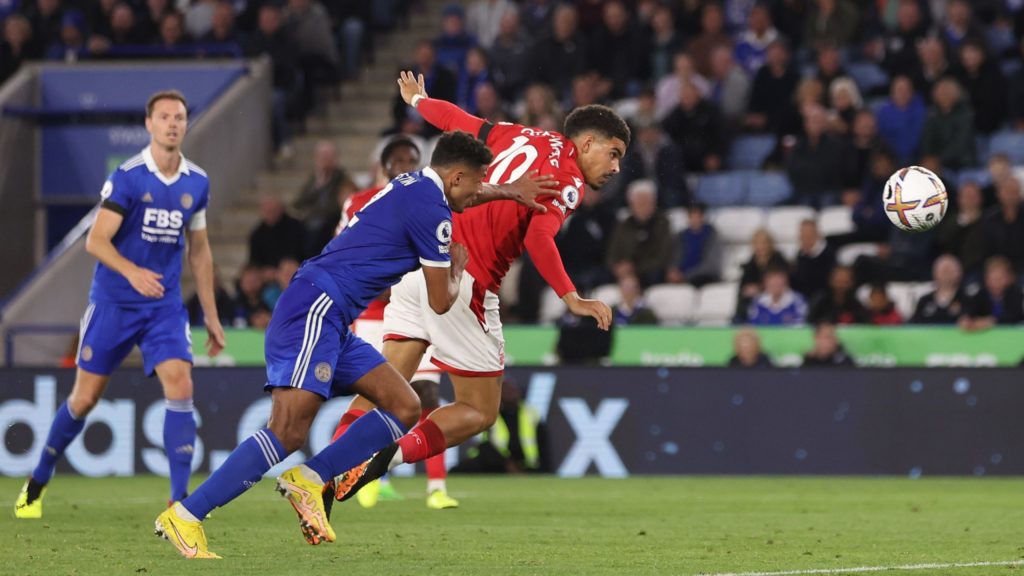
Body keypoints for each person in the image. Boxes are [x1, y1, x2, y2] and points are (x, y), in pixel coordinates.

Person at [155, 131, 492, 559]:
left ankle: (310, 478)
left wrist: (511, 191)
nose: (479, 191)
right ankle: (186, 515)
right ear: (457, 176)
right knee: (287, 430)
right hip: (317, 307)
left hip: (331, 314)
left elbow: (464, 194)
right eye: (478, 182)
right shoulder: (435, 210)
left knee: (404, 405)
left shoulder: (411, 185)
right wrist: (457, 271)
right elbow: (441, 301)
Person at [325, 71, 627, 509]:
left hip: (419, 263)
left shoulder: (520, 134)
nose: (616, 167)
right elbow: (539, 238)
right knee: (480, 411)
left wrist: (418, 100)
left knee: (383, 389)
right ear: (587, 143)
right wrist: (571, 297)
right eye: (613, 153)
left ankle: (318, 476)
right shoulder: (568, 179)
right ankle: (379, 462)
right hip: (464, 280)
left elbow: (459, 122)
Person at [16, 91, 226, 519]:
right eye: (164, 117)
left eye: (179, 117)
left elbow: (200, 251)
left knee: (181, 385)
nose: (172, 124)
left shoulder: (197, 182)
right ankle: (38, 479)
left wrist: (211, 314)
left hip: (163, 306)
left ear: (186, 124)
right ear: (149, 124)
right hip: (114, 302)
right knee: (84, 399)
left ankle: (179, 503)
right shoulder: (128, 177)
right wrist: (132, 273)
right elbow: (96, 241)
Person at [331, 136, 459, 510]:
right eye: (399, 160)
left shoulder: (432, 202)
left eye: (412, 160)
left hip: (418, 310)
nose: (406, 166)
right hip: (373, 315)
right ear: (384, 166)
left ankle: (436, 488)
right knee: (379, 396)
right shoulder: (360, 202)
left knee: (428, 395)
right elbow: (344, 252)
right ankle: (357, 474)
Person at [451, 378, 546, 473]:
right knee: (457, 471)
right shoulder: (488, 414)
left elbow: (543, 443)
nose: (510, 393)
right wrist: (507, 463)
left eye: (512, 389)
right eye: (505, 390)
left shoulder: (530, 414)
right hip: (496, 463)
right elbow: (484, 446)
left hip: (527, 464)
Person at [606, 179, 675, 287]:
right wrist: (617, 267)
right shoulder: (623, 225)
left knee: (654, 275)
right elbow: (612, 253)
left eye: (646, 201)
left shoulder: (662, 223)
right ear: (631, 203)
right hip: (624, 271)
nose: (643, 205)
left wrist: (634, 268)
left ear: (653, 202)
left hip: (649, 271)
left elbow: (662, 256)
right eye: (639, 201)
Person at [959, 256, 1024, 331]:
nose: (996, 283)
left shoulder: (1017, 295)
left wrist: (991, 322)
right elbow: (969, 311)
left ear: (1009, 278)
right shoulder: (979, 294)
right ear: (986, 279)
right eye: (993, 278)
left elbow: (1014, 317)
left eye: (1000, 279)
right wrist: (966, 319)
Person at [666, 202, 723, 287]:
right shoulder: (681, 236)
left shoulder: (712, 235)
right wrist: (673, 271)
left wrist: (686, 275)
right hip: (682, 275)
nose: (694, 219)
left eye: (697, 216)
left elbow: (710, 265)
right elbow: (675, 257)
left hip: (703, 275)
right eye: (691, 216)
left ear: (703, 217)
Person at [911, 255, 966, 324]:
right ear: (934, 273)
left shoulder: (966, 298)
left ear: (959, 272)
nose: (946, 274)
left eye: (950, 271)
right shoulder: (925, 300)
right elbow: (913, 324)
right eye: (943, 271)